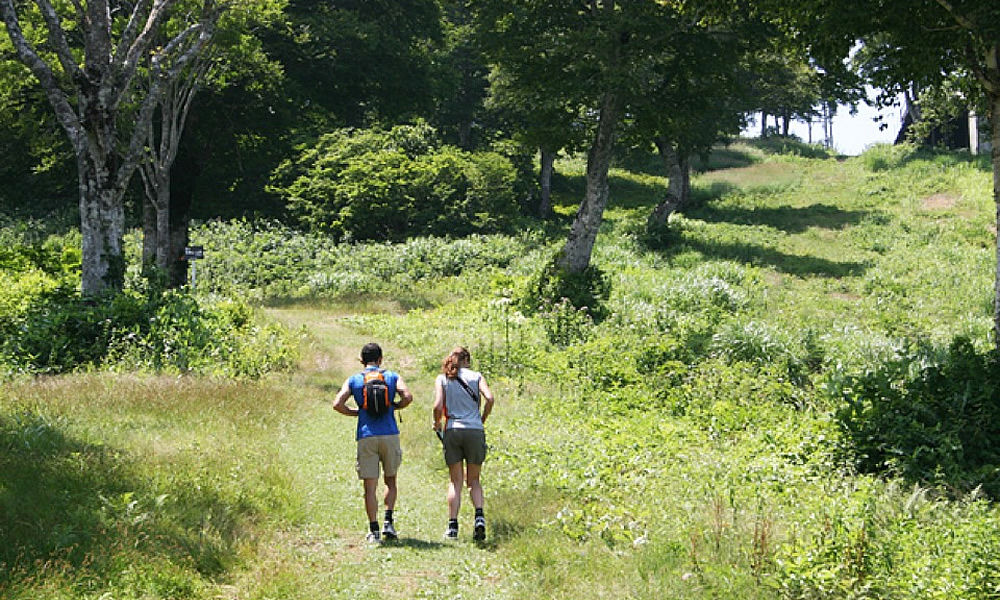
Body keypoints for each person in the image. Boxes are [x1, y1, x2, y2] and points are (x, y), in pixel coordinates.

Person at [333, 342, 413, 544]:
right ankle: (389, 522)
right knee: (390, 480)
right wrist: (394, 406)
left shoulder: (354, 380)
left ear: (362, 360)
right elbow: (408, 396)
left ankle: (374, 530)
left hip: (366, 435)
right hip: (390, 434)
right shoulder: (392, 376)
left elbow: (337, 404)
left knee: (369, 487)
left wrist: (356, 413)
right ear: (381, 359)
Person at [432, 346, 495, 541]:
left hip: (453, 429)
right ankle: (479, 517)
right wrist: (482, 418)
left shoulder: (443, 378)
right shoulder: (477, 376)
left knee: (455, 481)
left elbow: (437, 405)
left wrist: (437, 422)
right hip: (475, 429)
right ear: (467, 359)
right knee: (474, 480)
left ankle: (452, 526)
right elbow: (490, 398)